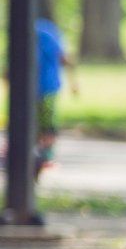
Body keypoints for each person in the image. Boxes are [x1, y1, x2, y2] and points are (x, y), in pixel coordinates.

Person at [36, 17, 77, 168]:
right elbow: (64, 58)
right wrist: (74, 83)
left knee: (39, 122)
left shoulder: (38, 30)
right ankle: (45, 155)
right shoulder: (50, 31)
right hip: (48, 86)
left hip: (37, 86)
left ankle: (41, 154)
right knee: (47, 123)